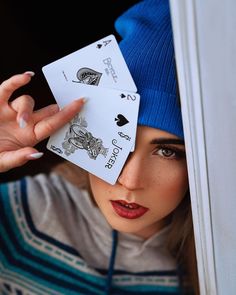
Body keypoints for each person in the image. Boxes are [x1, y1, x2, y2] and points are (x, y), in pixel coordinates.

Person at [0, 0, 199, 294]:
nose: (129, 180)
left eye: (168, 151)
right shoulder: (29, 215)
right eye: (121, 139)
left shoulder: (217, 258)